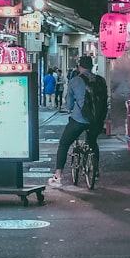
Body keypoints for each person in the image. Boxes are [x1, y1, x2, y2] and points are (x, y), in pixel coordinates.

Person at [49, 55, 103, 187]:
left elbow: (69, 105)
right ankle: (95, 171)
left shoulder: (75, 81)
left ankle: (58, 176)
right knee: (92, 142)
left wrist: (70, 108)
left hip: (79, 119)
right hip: (96, 120)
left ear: (79, 67)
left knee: (64, 144)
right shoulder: (101, 80)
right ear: (91, 67)